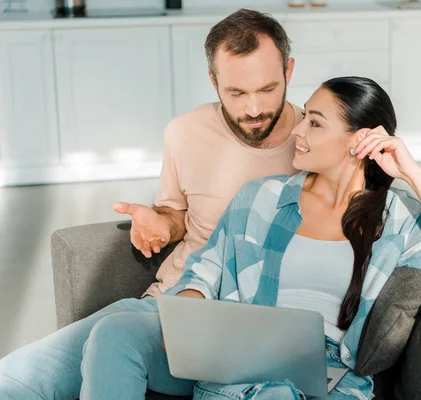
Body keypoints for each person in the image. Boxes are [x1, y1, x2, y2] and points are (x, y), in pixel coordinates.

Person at [77, 76, 421, 400]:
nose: (298, 131)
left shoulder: (397, 217)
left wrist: (415, 174)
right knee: (114, 335)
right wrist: (189, 307)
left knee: (277, 394)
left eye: (314, 122)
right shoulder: (262, 196)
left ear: (358, 141)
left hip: (326, 373)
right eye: (303, 116)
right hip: (235, 353)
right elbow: (208, 266)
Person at [0, 8, 304, 400]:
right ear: (213, 82)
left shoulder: (317, 141)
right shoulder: (185, 132)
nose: (254, 109)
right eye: (237, 92)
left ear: (289, 72)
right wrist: (164, 223)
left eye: (267, 89)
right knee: (16, 379)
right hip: (172, 306)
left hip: (256, 328)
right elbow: (177, 215)